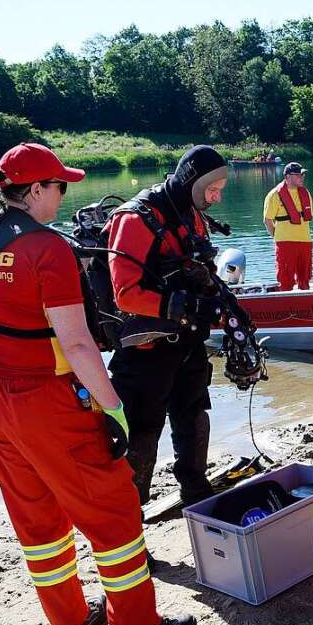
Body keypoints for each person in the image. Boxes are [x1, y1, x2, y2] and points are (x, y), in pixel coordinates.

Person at [0, 143, 197, 625]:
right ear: (34, 191)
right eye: (58, 186)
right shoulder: (47, 248)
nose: (63, 195)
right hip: (46, 399)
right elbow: (75, 342)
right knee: (113, 508)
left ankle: (72, 622)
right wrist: (112, 405)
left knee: (36, 515)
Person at [106, 145, 229, 507]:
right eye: (212, 189)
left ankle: (196, 492)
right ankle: (128, 523)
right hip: (145, 349)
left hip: (187, 342)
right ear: (192, 181)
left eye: (220, 190)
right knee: (141, 435)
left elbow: (201, 264)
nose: (216, 198)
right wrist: (182, 305)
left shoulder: (191, 214)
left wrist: (215, 297)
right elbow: (125, 294)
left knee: (193, 416)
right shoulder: (135, 219)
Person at [263, 162, 313, 291]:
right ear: (287, 177)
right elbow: (267, 220)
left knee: (305, 279)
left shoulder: (305, 193)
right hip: (285, 243)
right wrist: (277, 236)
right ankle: (286, 304)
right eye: (298, 175)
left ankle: (306, 304)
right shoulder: (274, 195)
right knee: (285, 279)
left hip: (305, 242)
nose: (301, 177)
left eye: (302, 175)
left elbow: (308, 216)